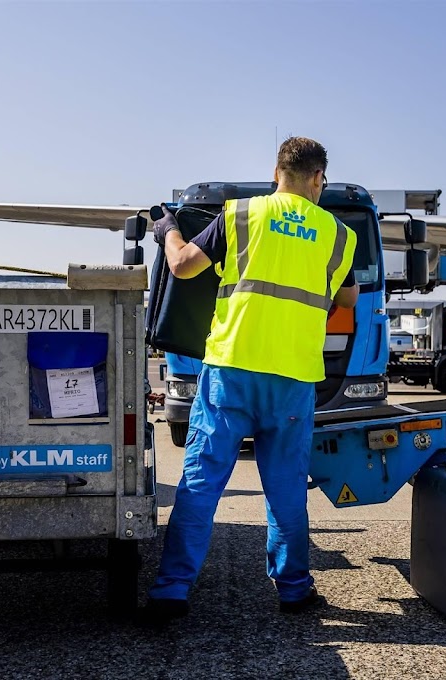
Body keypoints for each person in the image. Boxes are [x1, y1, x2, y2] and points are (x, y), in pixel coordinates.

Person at [139, 136, 359, 625]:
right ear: (318, 178)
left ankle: (172, 591)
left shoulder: (241, 214)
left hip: (231, 371)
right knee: (285, 494)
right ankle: (294, 590)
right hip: (294, 380)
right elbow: (347, 300)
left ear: (275, 171)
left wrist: (168, 229)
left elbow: (182, 265)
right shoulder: (339, 235)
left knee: (200, 486)